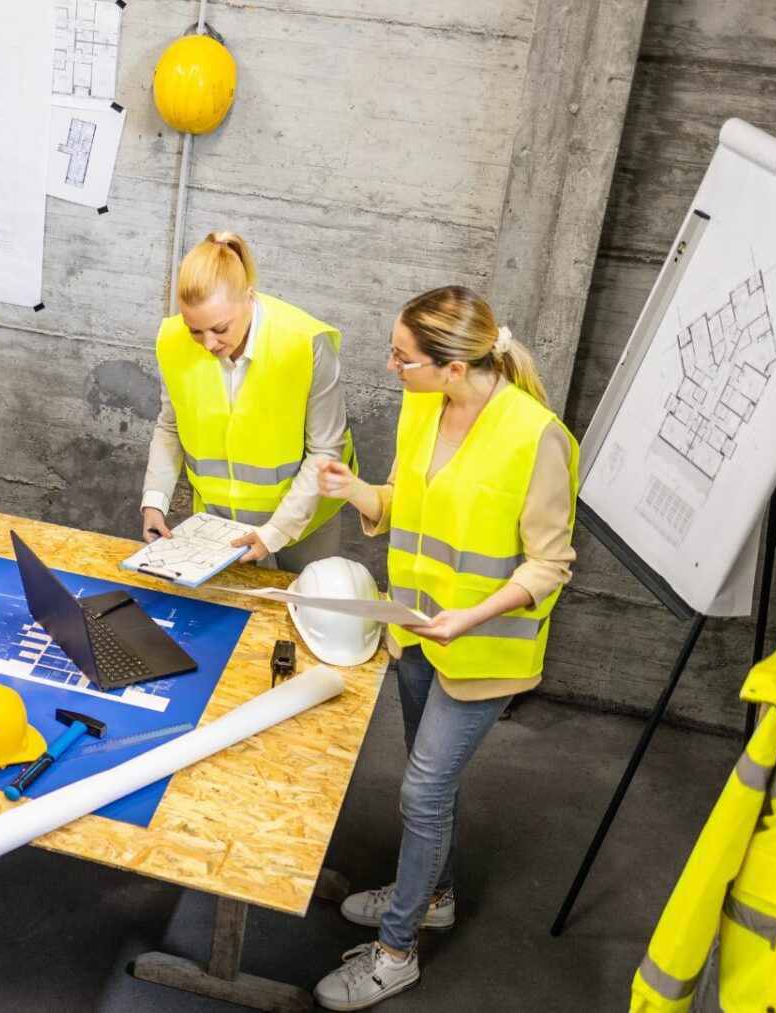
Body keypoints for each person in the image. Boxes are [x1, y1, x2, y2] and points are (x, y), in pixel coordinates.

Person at [309, 286, 578, 1010]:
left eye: (404, 357)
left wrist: (471, 616)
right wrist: (357, 490)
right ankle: (437, 895)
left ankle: (396, 953)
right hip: (415, 631)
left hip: (483, 649)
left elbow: (549, 564)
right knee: (430, 786)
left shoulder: (537, 436)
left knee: (423, 790)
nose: (392, 365)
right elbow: (407, 502)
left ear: (452, 366)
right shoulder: (422, 404)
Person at [140, 231, 355, 572]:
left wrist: (277, 531)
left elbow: (326, 451)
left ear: (248, 298)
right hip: (218, 525)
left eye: (220, 328)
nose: (208, 343)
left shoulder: (305, 344)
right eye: (195, 330)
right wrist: (155, 501)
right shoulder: (172, 340)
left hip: (305, 525)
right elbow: (170, 425)